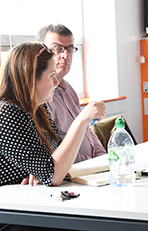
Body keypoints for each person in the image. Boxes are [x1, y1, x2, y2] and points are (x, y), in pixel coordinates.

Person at [0, 42, 106, 231]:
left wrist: (40, 169)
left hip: (2, 207)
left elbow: (56, 159)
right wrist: (81, 121)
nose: (56, 82)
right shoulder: (5, 113)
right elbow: (54, 174)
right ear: (31, 79)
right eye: (51, 76)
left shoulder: (37, 110)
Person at [35, 24, 106, 163]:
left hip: (92, 168)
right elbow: (53, 150)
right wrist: (91, 163)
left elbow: (88, 132)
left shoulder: (68, 89)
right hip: (70, 173)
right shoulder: (40, 97)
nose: (65, 56)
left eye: (70, 49)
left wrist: (103, 158)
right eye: (57, 49)